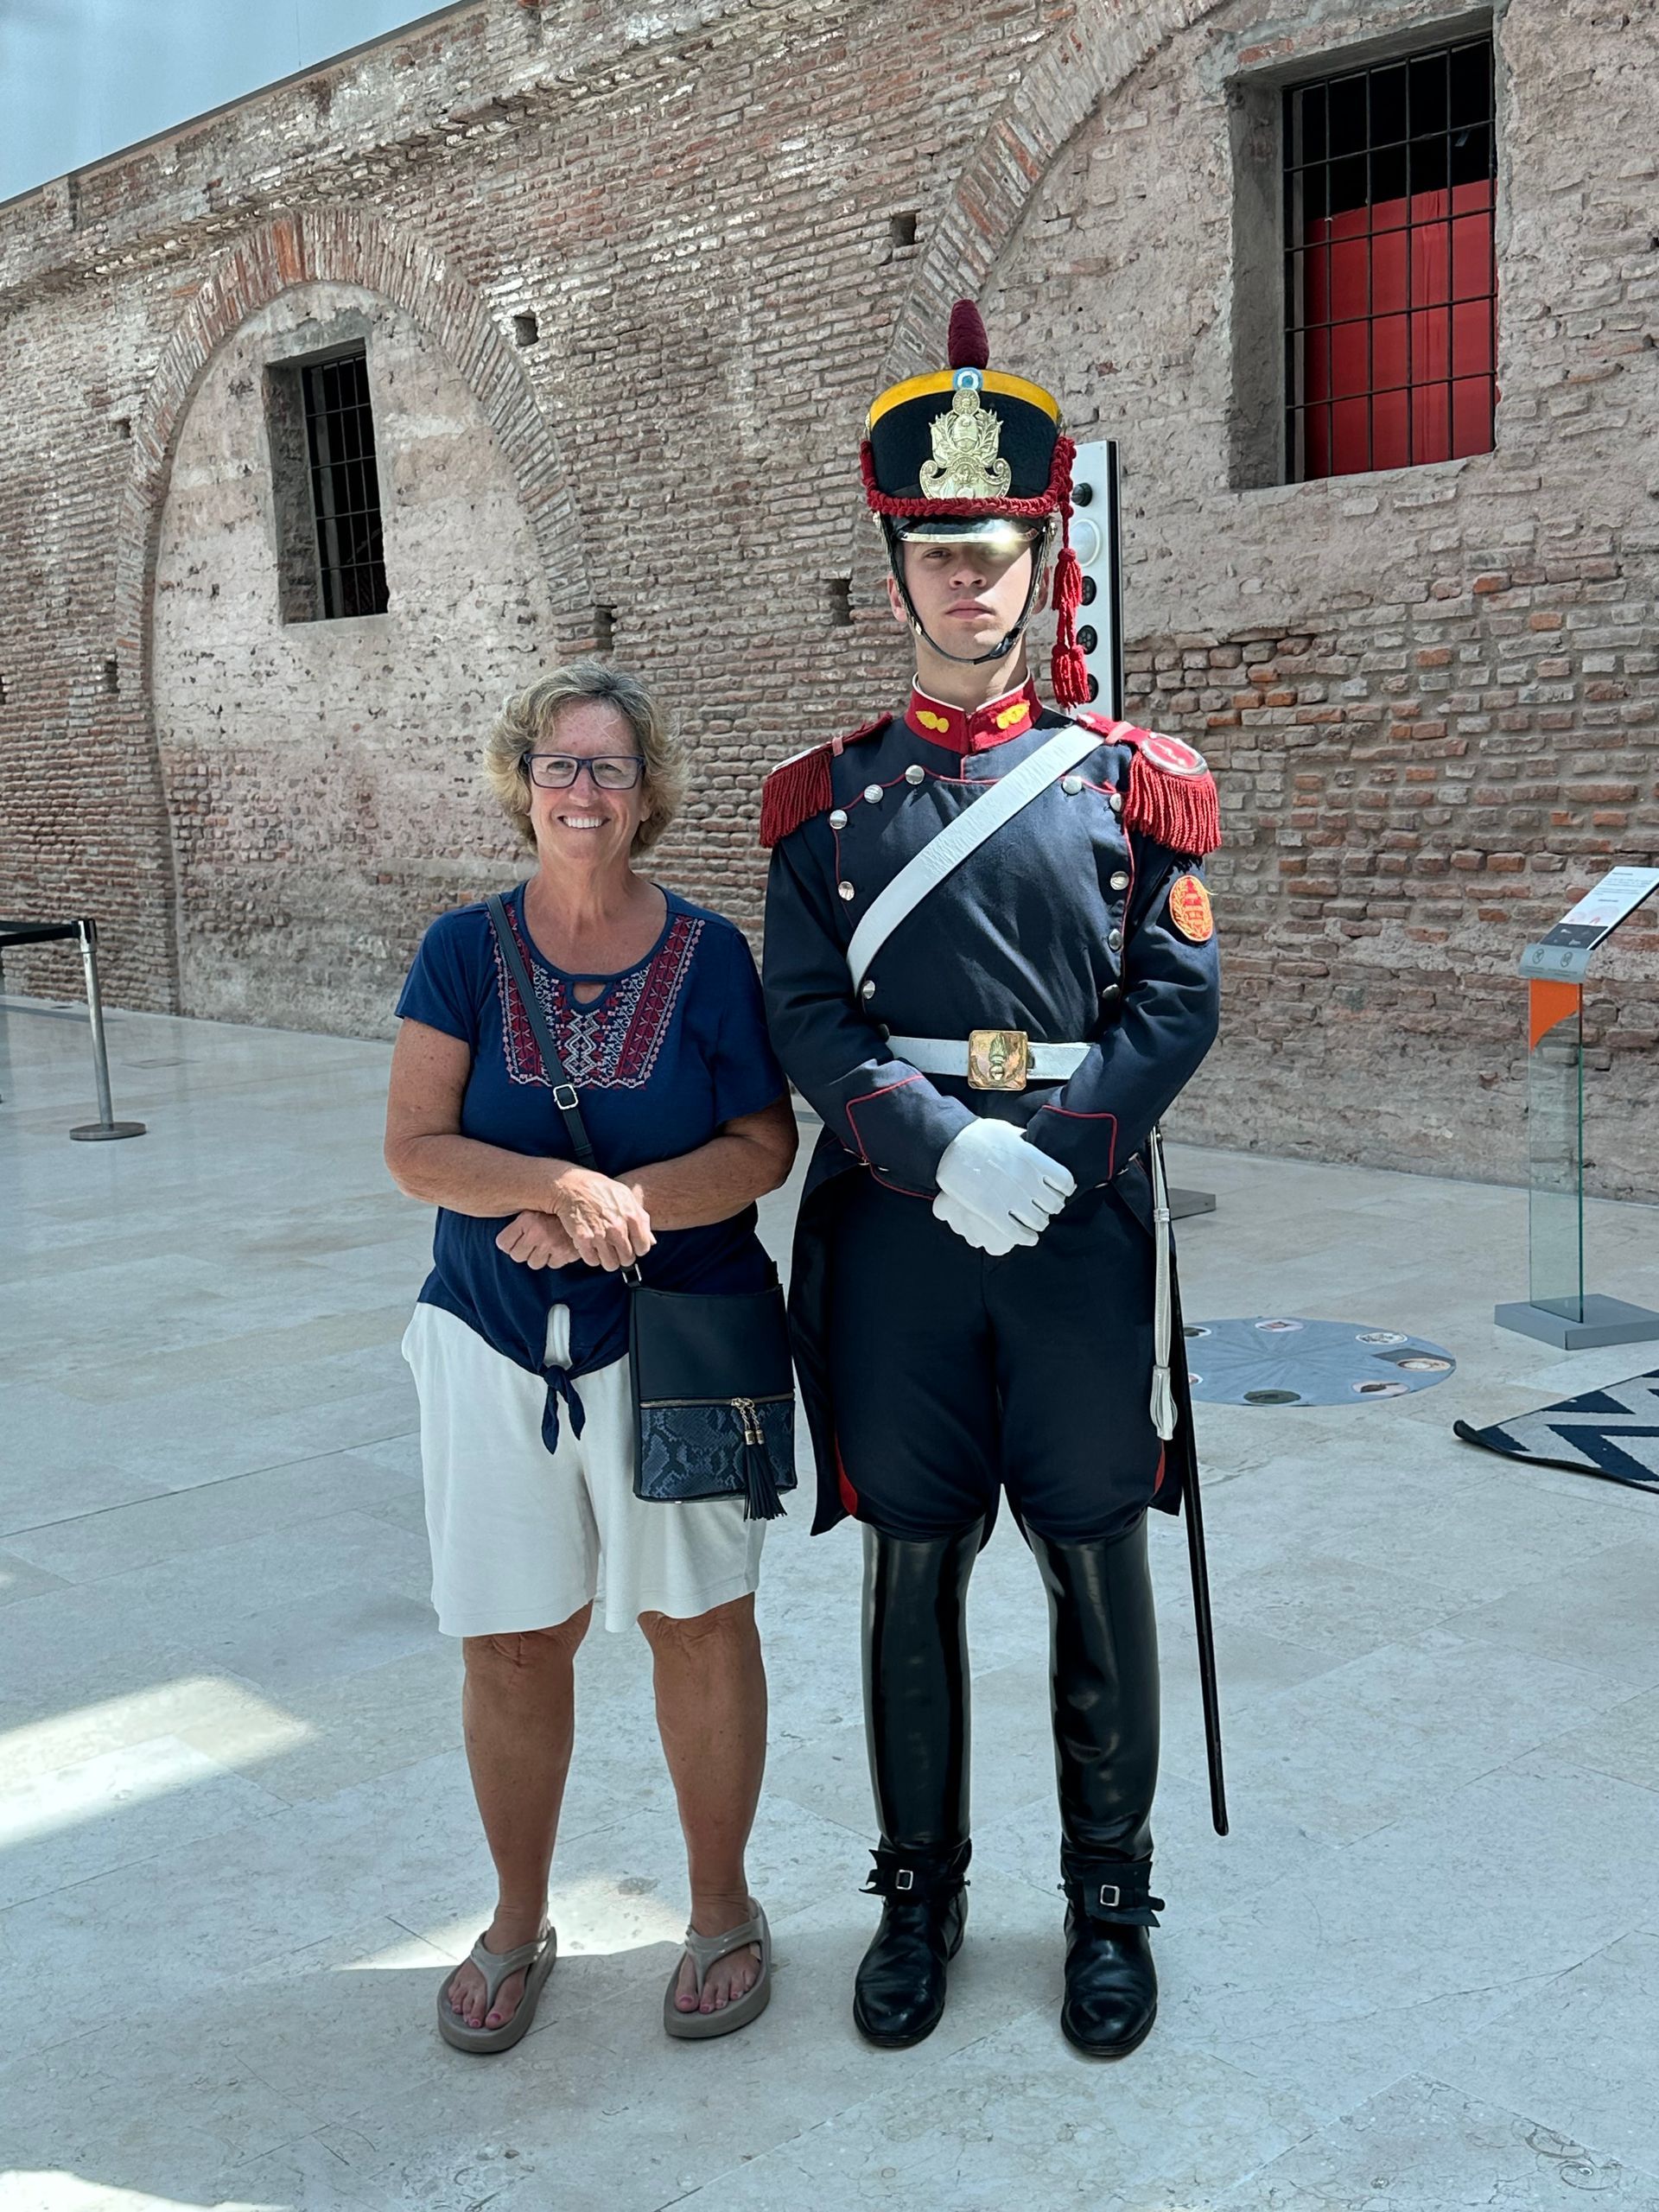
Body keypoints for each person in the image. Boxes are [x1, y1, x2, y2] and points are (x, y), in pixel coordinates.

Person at [760, 302, 1221, 2058]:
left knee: (1096, 1552)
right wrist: (939, 1145)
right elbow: (808, 1008)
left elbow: (1175, 999)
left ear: (1044, 560)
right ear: (897, 569)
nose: (971, 581)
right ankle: (918, 1898)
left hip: (1075, 1232)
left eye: (998, 551)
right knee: (913, 1560)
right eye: (940, 553)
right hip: (899, 1231)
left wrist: (1063, 1151)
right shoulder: (824, 805)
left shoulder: (1133, 786)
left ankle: (1109, 1900)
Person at [385, 660, 798, 2052]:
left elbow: (761, 1145)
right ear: (522, 784)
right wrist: (559, 1187)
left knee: (701, 1622)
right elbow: (416, 1148)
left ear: (645, 793)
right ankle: (516, 1919)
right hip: (491, 1339)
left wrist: (619, 1211)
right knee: (510, 1639)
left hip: (678, 1338)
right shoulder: (462, 949)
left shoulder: (711, 954)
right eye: (558, 764)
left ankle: (721, 1909)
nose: (582, 790)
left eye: (609, 767)